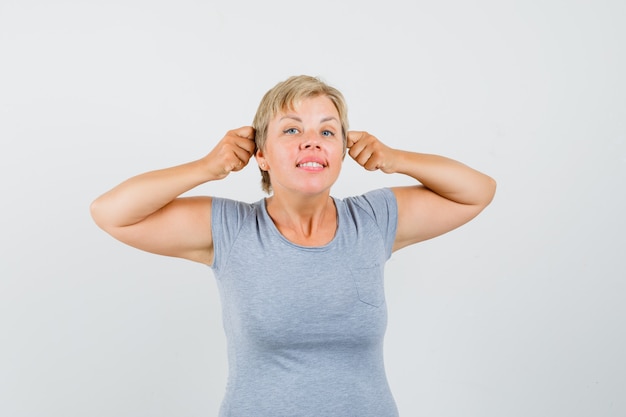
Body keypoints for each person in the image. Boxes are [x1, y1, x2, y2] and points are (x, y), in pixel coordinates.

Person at [90, 75, 496, 417]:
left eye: (327, 131)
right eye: (291, 129)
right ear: (261, 155)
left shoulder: (373, 219)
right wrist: (207, 167)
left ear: (341, 152)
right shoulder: (231, 228)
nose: (311, 141)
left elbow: (477, 191)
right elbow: (111, 212)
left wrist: (394, 158)